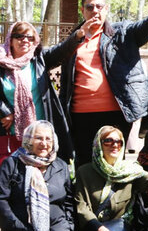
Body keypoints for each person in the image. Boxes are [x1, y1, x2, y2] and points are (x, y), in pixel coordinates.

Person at [59, 0, 148, 166]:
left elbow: (145, 28)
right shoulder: (74, 39)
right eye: (89, 7)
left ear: (106, 9)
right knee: (85, 167)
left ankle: (116, 196)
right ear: (83, 10)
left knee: (114, 166)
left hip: (115, 114)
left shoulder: (122, 33)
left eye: (99, 6)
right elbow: (66, 82)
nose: (94, 10)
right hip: (81, 117)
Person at [0, 20, 95, 163]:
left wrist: (78, 35)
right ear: (10, 40)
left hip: (39, 130)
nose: (25, 40)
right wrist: (4, 111)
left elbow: (61, 50)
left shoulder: (39, 60)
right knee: (11, 170)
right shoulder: (2, 63)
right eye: (19, 36)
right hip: (10, 132)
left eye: (30, 37)